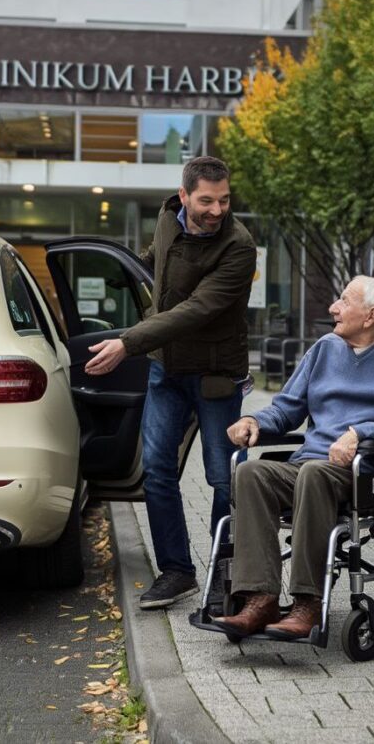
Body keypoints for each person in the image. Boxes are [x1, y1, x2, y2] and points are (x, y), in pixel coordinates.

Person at [213, 276, 374, 639]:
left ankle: (308, 603)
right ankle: (260, 599)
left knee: (314, 475)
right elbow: (287, 409)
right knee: (250, 473)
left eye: (344, 300)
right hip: (311, 465)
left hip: (366, 471)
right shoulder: (324, 349)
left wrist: (362, 434)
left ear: (369, 316)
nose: (333, 307)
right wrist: (253, 420)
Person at [85, 155, 256, 610]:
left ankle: (227, 575)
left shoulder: (239, 247)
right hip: (166, 369)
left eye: (224, 200)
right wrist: (125, 271)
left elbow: (196, 309)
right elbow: (157, 264)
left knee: (224, 479)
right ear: (184, 196)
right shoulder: (166, 218)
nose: (217, 210)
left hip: (216, 375)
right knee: (158, 470)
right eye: (206, 200)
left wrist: (128, 342)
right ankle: (176, 571)